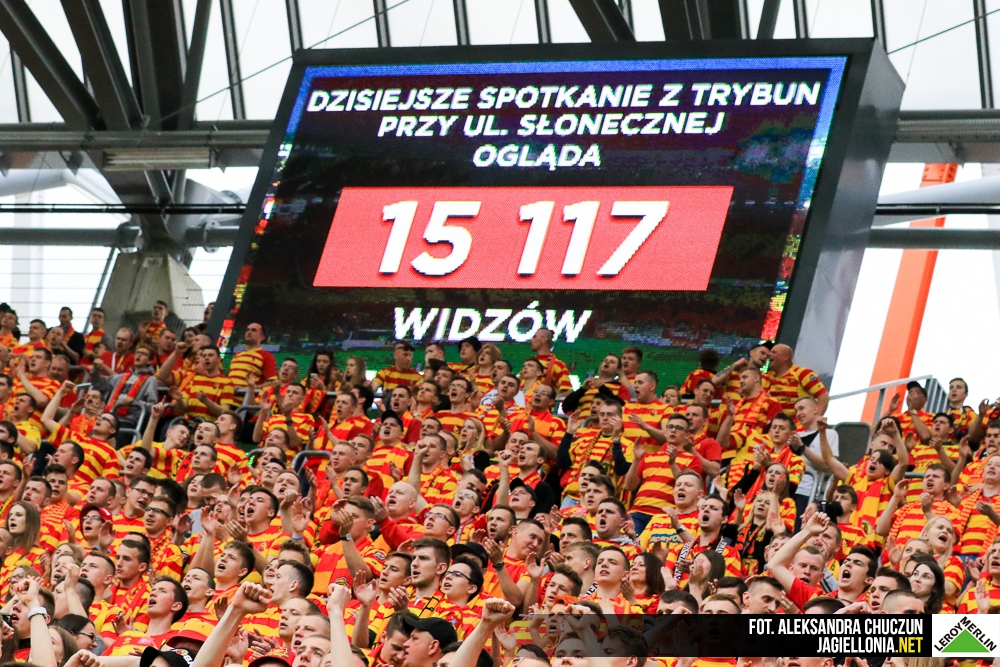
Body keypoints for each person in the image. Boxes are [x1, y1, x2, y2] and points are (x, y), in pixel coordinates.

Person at [228, 323, 278, 388]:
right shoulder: (237, 355)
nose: (249, 332)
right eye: (247, 330)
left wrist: (250, 388)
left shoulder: (267, 356)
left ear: (262, 337)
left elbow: (273, 383)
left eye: (254, 330)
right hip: (227, 394)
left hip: (246, 394)